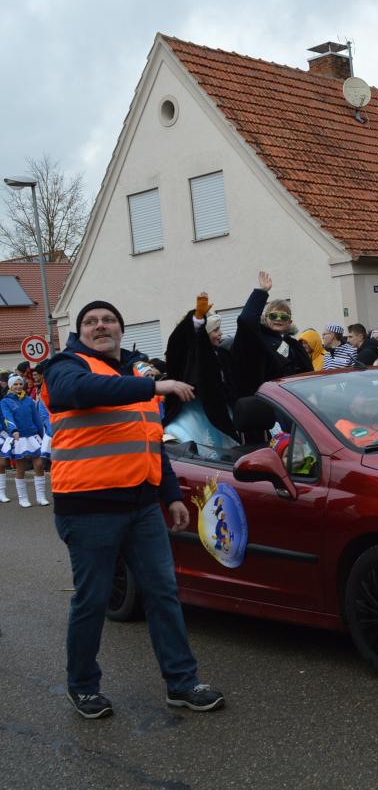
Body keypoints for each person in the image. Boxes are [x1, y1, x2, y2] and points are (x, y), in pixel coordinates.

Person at [39, 300, 224, 719]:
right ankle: (83, 687)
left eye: (109, 320)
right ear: (79, 332)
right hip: (88, 509)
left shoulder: (136, 372)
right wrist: (152, 387)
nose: (100, 326)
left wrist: (171, 495)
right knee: (93, 600)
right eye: (91, 321)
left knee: (163, 594)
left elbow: (151, 441)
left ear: (120, 329)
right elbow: (77, 392)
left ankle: (182, 683)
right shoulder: (66, 367)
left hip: (141, 506)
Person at [164, 296, 239, 444]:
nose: (220, 333)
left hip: (219, 411)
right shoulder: (189, 357)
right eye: (215, 330)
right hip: (194, 415)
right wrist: (197, 322)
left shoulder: (221, 354)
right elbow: (180, 343)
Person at [232, 271, 312, 395]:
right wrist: (262, 292)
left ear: (289, 322)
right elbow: (245, 320)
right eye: (274, 316)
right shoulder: (258, 338)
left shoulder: (294, 344)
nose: (278, 320)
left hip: (293, 398)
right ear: (266, 318)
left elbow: (308, 374)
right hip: (266, 398)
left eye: (283, 317)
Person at [2, 373, 49, 506]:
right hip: (19, 438)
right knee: (21, 468)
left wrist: (43, 435)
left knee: (39, 465)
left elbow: (37, 419)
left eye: (20, 384)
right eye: (15, 384)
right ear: (10, 386)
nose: (18, 386)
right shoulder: (5, 402)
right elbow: (7, 417)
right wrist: (14, 430)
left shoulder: (29, 400)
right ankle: (23, 498)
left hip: (33, 436)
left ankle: (41, 497)